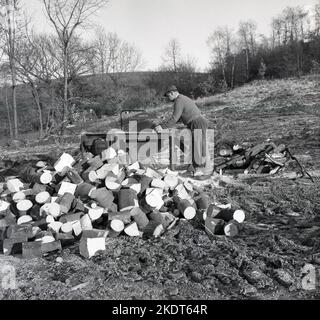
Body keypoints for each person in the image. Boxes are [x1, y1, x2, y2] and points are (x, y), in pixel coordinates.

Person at [159, 85, 213, 178]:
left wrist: (162, 126)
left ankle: (205, 171)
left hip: (197, 123)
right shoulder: (182, 98)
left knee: (199, 147)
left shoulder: (179, 101)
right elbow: (180, 117)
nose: (168, 98)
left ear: (172, 93)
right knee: (196, 147)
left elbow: (175, 118)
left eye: (168, 96)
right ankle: (195, 169)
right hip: (195, 122)